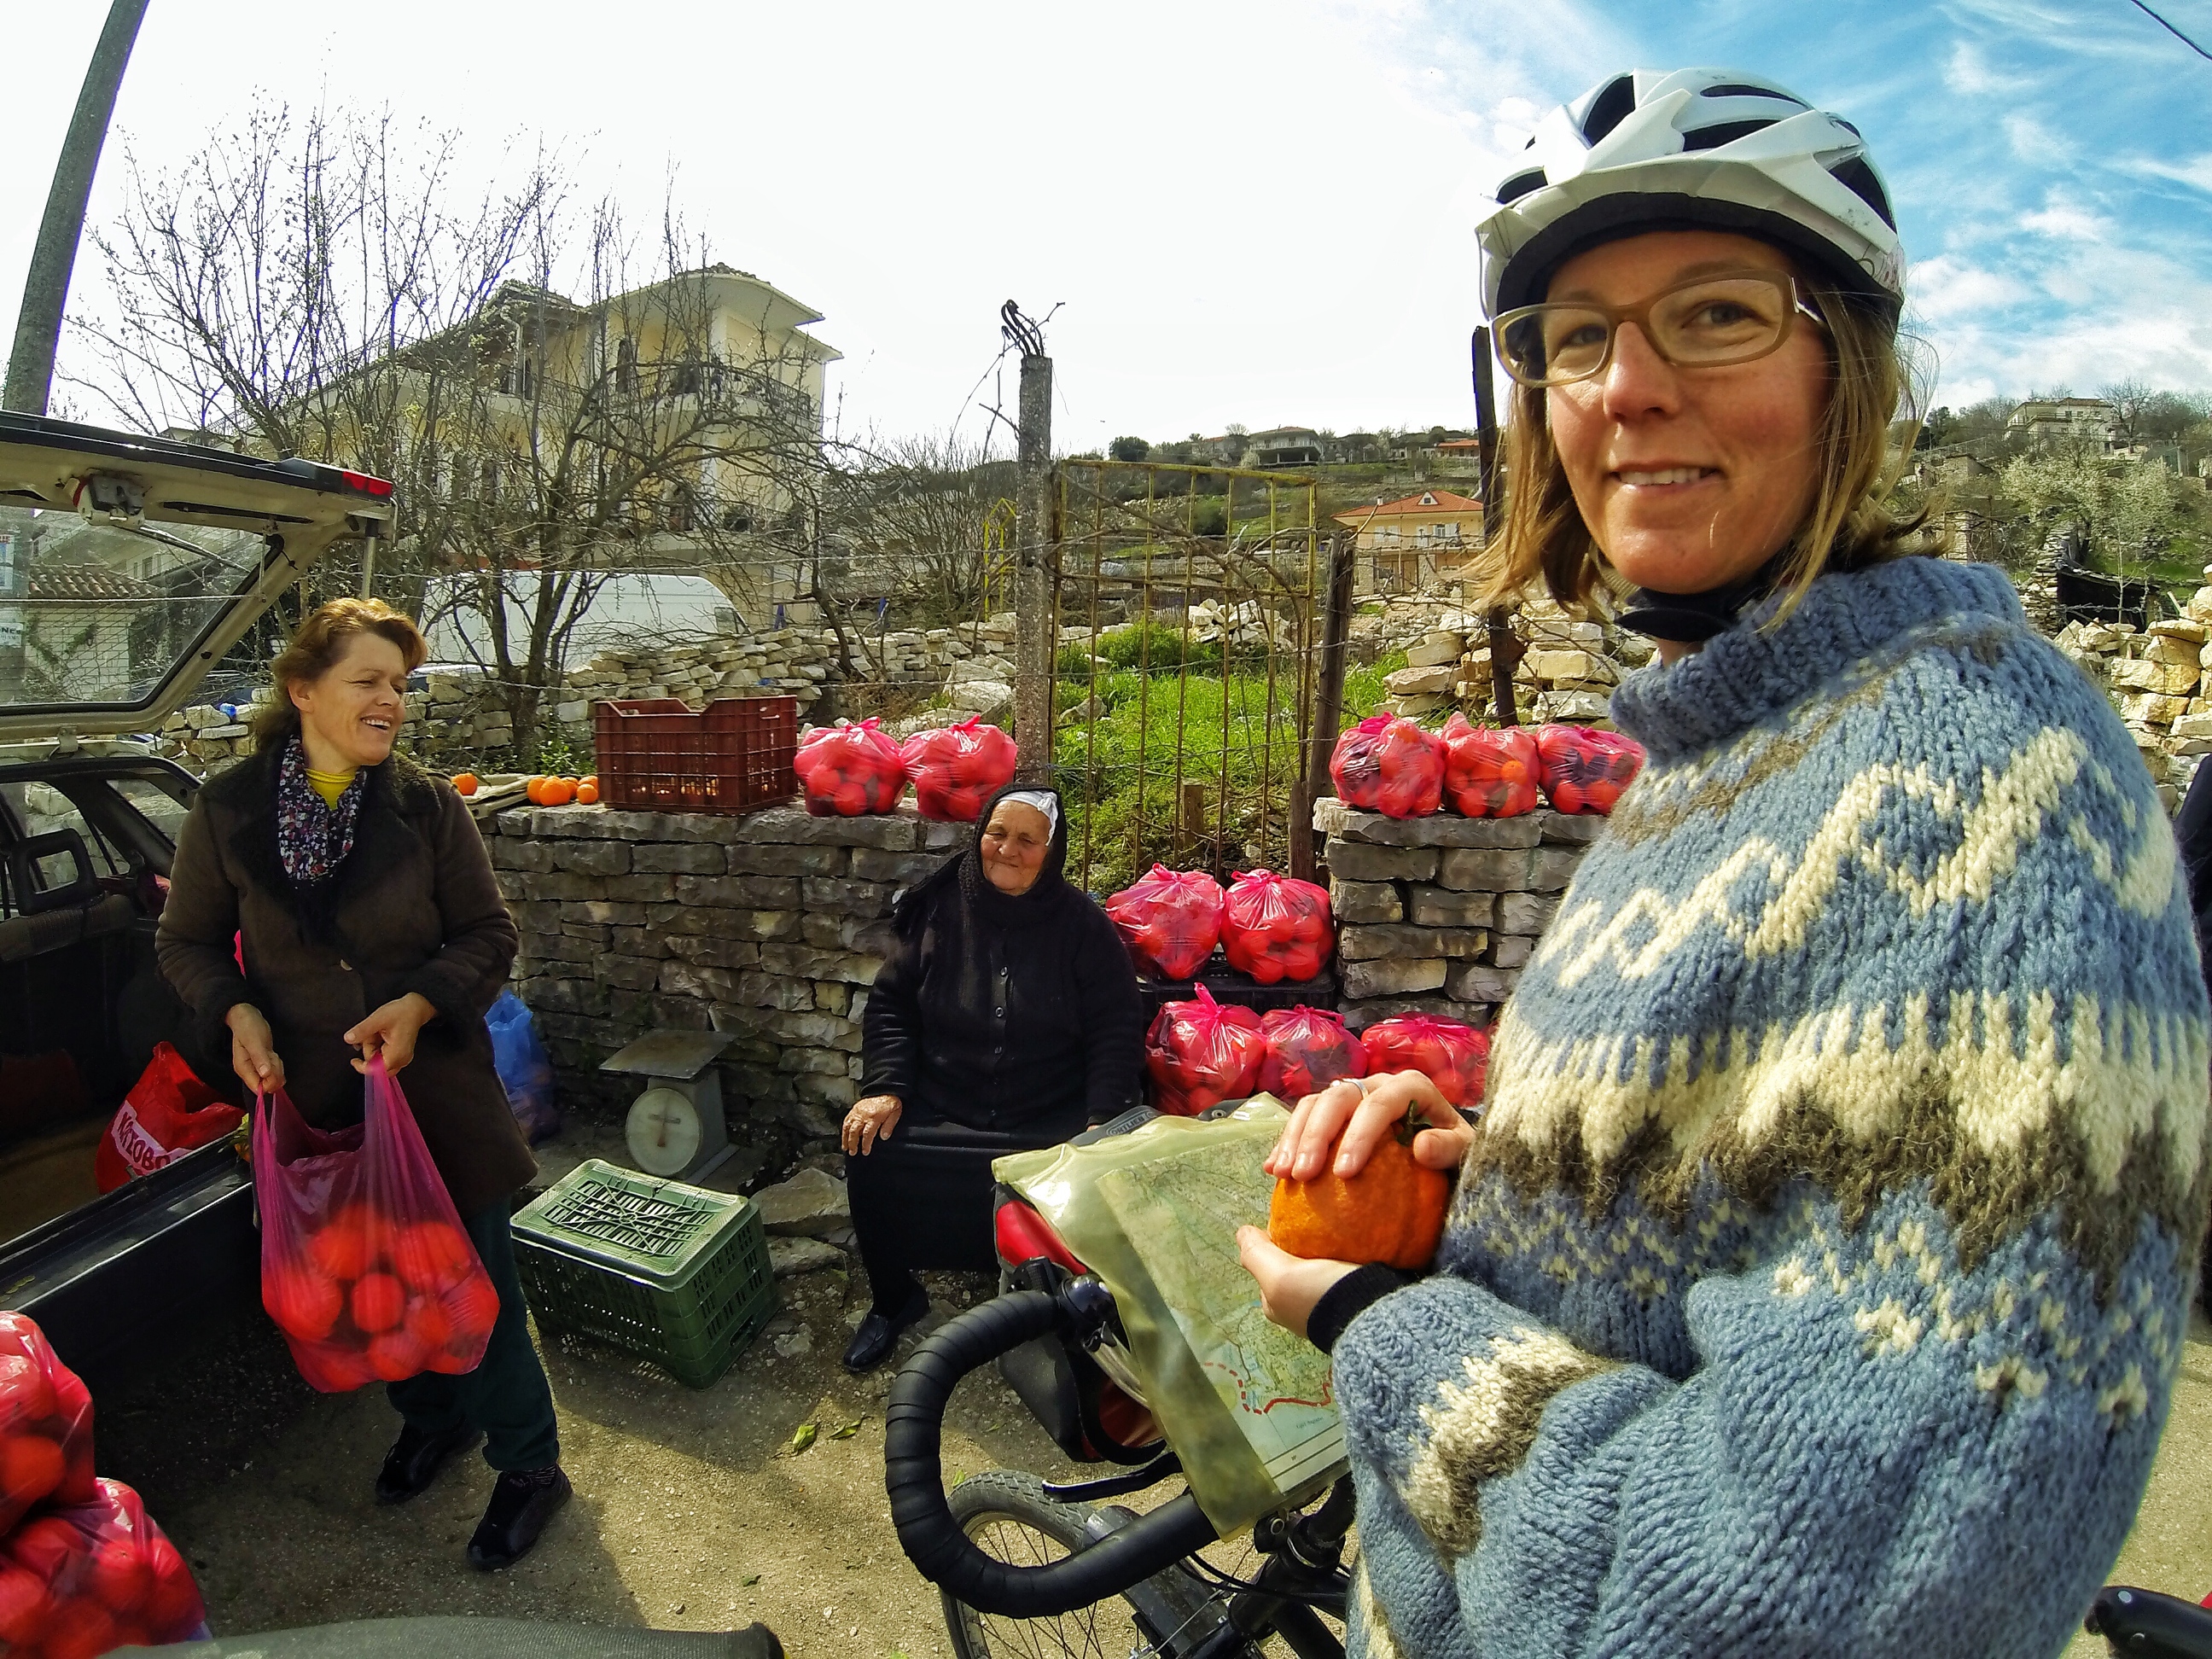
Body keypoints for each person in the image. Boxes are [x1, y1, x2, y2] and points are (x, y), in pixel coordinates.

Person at [1238, 68, 2210, 1657]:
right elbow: (1756, 1177)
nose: (1625, 384)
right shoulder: (1719, 755)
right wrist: (1504, 1170)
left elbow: (1785, 1600)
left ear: (1850, 367)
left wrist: (1381, 1324)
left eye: (1714, 315)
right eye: (1573, 337)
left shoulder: (1983, 787)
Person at [156, 597, 571, 1570]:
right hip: (315, 1099)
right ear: (304, 691)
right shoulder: (227, 808)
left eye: (399, 684)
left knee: (478, 1288)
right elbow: (182, 943)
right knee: (374, 1285)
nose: (391, 701)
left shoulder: (428, 808)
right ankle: (433, 1421)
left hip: (434, 1097)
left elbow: (489, 935)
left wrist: (423, 1007)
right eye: (369, 682)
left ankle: (528, 1464)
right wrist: (238, 1012)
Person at [842, 783, 1144, 1372]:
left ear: (1051, 852)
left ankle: (1052, 1307)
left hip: (1046, 1109)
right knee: (869, 1148)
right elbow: (891, 1007)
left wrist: (1102, 1120)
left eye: (1028, 840)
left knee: (1086, 1178)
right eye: (997, 833)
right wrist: (885, 1087)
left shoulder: (1083, 927)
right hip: (945, 1100)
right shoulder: (938, 910)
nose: (1007, 849)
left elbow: (1116, 1026)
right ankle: (896, 1300)